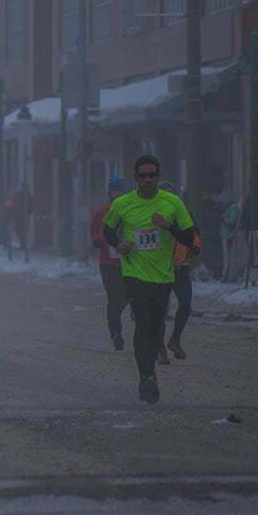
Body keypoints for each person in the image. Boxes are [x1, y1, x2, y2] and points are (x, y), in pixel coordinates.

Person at [103, 155, 198, 404]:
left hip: (163, 276)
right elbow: (107, 230)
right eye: (143, 176)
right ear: (136, 178)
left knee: (155, 327)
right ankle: (146, 377)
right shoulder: (123, 204)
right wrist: (118, 244)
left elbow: (190, 238)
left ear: (158, 176)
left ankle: (150, 371)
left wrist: (168, 226)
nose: (148, 180)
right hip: (134, 274)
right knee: (143, 323)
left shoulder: (172, 202)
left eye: (152, 175)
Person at [156, 181, 203, 364]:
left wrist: (196, 246)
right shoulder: (153, 216)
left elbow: (195, 233)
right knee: (160, 310)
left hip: (181, 267)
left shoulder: (184, 214)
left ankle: (174, 340)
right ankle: (160, 348)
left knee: (185, 305)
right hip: (159, 270)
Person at [91, 175, 128, 351]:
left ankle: (118, 320)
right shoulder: (101, 213)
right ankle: (116, 334)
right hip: (108, 263)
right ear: (109, 192)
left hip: (128, 262)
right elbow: (94, 236)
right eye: (114, 190)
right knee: (113, 297)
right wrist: (100, 240)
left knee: (127, 295)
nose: (117, 194)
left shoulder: (131, 211)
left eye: (120, 190)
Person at [11, 183, 34, 263]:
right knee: (19, 229)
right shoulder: (19, 195)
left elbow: (32, 205)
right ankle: (23, 243)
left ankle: (23, 244)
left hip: (23, 216)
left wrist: (28, 212)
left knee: (23, 230)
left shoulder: (27, 196)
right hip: (20, 216)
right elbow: (14, 204)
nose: (26, 189)